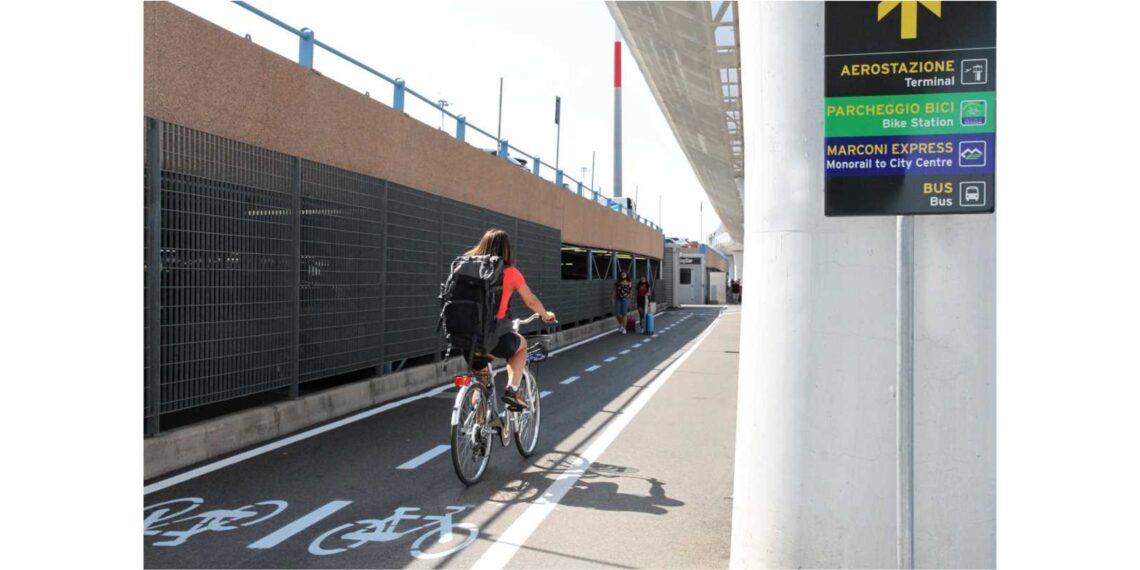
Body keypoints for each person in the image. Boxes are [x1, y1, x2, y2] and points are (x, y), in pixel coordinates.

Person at [464, 229, 555, 409]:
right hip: (494, 336)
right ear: (506, 249)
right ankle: (512, 391)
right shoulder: (510, 272)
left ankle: (477, 428)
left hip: (466, 335)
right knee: (521, 346)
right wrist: (546, 315)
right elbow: (531, 301)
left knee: (482, 380)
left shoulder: (466, 266)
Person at [612, 271, 633, 335]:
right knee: (617, 313)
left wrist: (630, 300)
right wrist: (612, 298)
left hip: (626, 299)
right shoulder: (617, 283)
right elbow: (614, 291)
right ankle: (621, 324)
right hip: (618, 299)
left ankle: (624, 328)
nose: (623, 275)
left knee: (624, 314)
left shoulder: (629, 283)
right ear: (620, 275)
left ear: (626, 275)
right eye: (622, 274)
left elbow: (630, 292)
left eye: (624, 274)